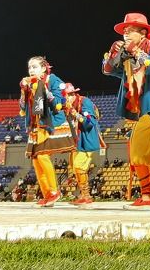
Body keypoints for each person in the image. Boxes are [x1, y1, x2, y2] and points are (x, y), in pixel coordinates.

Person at [102, 13, 150, 209]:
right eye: (124, 33)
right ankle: (147, 196)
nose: (126, 35)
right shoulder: (128, 53)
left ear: (143, 33)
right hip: (145, 108)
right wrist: (114, 56)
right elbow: (109, 71)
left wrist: (139, 54)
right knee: (137, 150)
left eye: (130, 31)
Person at [21, 57, 75, 207]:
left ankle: (54, 191)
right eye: (29, 67)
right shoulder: (30, 83)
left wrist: (43, 88)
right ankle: (47, 194)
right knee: (36, 159)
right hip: (36, 124)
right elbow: (24, 106)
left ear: (44, 68)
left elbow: (59, 103)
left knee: (43, 156)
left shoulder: (53, 80)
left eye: (35, 67)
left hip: (51, 122)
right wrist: (24, 90)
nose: (31, 70)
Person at [64, 83, 104, 207]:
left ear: (72, 95)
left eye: (66, 97)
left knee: (79, 166)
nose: (65, 100)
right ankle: (83, 194)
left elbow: (90, 123)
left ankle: (86, 196)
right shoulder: (67, 106)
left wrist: (75, 113)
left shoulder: (85, 102)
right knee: (74, 166)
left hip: (86, 139)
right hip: (76, 140)